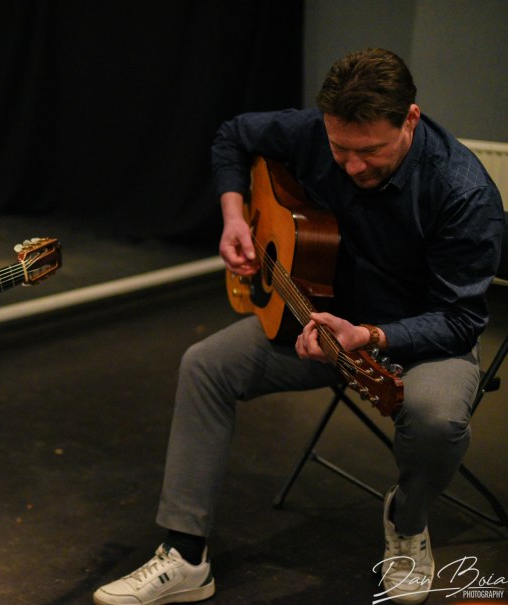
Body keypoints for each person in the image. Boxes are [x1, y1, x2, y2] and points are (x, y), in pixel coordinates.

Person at [92, 48, 503, 605]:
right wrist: (235, 217)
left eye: (370, 152)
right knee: (204, 367)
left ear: (410, 119)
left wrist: (370, 335)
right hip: (314, 320)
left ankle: (407, 522)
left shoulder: (464, 192)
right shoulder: (312, 132)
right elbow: (233, 135)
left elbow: (460, 319)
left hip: (418, 337)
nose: (352, 167)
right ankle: (186, 556)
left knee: (436, 420)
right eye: (340, 150)